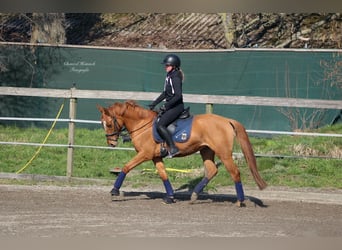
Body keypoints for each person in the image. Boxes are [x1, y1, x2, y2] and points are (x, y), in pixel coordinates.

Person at [148, 54, 185, 158]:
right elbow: (165, 93)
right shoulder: (169, 76)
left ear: (174, 66)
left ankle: (173, 148)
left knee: (160, 125)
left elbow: (178, 95)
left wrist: (166, 106)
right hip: (171, 106)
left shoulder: (176, 77)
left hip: (176, 107)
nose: (165, 67)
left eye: (167, 65)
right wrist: (154, 103)